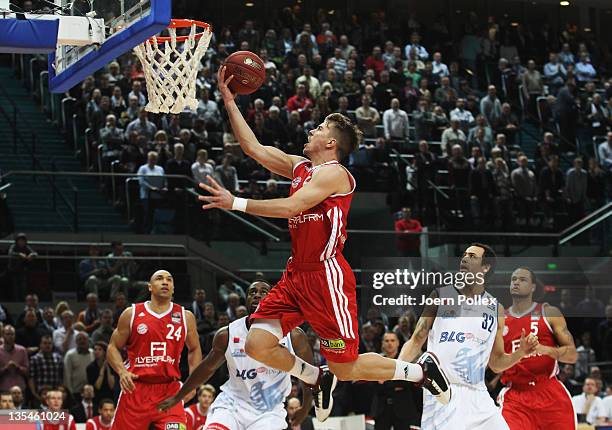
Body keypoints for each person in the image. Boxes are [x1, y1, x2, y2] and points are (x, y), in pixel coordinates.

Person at [196, 66, 451, 422]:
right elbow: (253, 149)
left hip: (326, 277)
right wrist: (229, 101)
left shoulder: (336, 174)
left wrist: (236, 202)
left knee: (346, 367)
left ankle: (419, 371)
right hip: (296, 274)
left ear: (330, 143)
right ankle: (315, 375)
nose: (311, 130)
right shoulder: (300, 167)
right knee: (256, 344)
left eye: (318, 129)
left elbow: (292, 207)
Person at [399, 243, 540, 430]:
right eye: (464, 254)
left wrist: (520, 352)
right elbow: (416, 340)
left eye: (473, 256)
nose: (465, 258)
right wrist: (397, 368)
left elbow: (496, 363)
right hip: (444, 391)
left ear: (485, 267)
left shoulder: (495, 308)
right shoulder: (440, 295)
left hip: (479, 394)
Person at [158, 281, 314, 430]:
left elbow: (311, 376)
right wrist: (178, 396)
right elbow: (207, 368)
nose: (257, 295)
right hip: (232, 405)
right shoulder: (228, 334)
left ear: (273, 299)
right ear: (246, 300)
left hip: (268, 412)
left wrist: (306, 407)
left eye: (263, 292)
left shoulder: (294, 336)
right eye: (252, 292)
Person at [107, 270, 202, 430]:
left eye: (169, 280)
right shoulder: (132, 314)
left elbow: (194, 348)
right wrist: (122, 371)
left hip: (169, 391)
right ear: (150, 287)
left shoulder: (185, 317)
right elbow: (112, 347)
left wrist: (193, 382)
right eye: (159, 279)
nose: (165, 282)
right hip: (136, 389)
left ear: (173, 288)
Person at [498, 267, 577, 429]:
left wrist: (544, 349)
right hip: (516, 396)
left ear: (533, 286)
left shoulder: (549, 313)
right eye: (513, 279)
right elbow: (495, 364)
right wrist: (520, 353)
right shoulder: (500, 320)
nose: (516, 282)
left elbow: (572, 355)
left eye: (522, 279)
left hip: (550, 391)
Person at [373, 332, 422, 429]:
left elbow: (407, 383)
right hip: (382, 409)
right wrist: (396, 383)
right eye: (386, 341)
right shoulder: (377, 361)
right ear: (382, 343)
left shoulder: (405, 361)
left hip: (403, 409)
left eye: (392, 340)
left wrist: (385, 381)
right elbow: (374, 385)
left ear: (398, 343)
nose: (389, 343)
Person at [28, 335, 63, 403]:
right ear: (40, 345)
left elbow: (61, 376)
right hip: (40, 394)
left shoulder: (58, 358)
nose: (47, 345)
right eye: (45, 343)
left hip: (55, 394)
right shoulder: (34, 359)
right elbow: (31, 378)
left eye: (49, 343)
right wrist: (34, 393)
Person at [0, 325, 28, 392]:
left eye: (12, 334)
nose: (10, 336)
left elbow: (27, 372)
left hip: (20, 388)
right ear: (3, 335)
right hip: (4, 388)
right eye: (8, 334)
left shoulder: (22, 350)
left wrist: (17, 367)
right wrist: (6, 368)